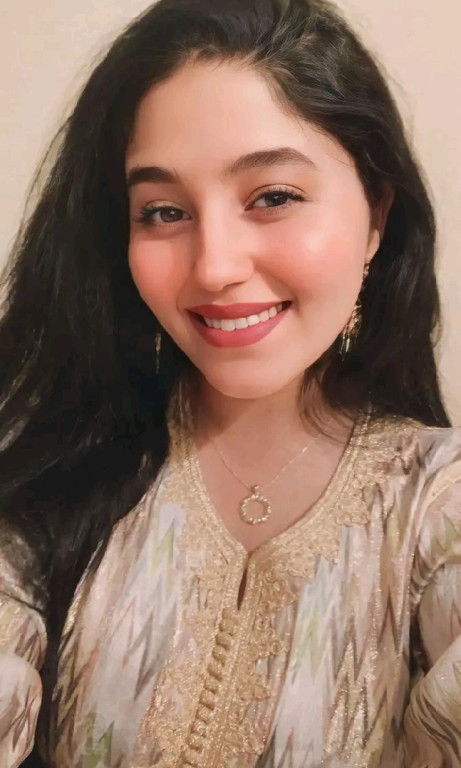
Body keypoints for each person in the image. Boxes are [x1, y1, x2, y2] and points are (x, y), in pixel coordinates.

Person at [0, 0, 460, 765]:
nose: (214, 266)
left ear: (375, 215)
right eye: (162, 212)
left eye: (272, 197)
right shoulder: (54, 483)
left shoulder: (433, 504)